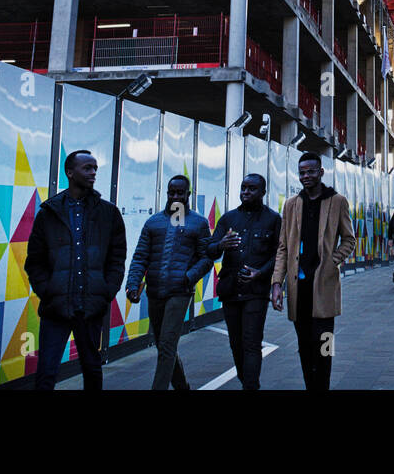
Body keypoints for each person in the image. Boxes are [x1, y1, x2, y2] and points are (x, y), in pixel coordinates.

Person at [25, 150, 126, 391]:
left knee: (92, 368)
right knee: (46, 372)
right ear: (70, 172)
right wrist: (47, 291)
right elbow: (35, 261)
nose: (93, 173)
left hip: (91, 306)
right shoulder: (49, 213)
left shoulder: (108, 213)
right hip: (55, 307)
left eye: (95, 168)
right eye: (87, 168)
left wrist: (105, 291)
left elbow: (117, 258)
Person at [271, 152, 356, 390]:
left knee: (325, 344)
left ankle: (323, 385)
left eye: (310, 171)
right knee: (305, 345)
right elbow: (283, 247)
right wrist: (277, 283)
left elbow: (349, 240)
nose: (305, 176)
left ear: (321, 172)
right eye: (302, 172)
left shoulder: (337, 201)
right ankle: (311, 386)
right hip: (299, 291)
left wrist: (332, 261)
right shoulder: (291, 205)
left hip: (325, 288)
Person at [125, 174, 212, 390]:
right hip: (154, 292)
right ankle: (183, 387)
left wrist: (188, 277)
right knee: (165, 346)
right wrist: (133, 284)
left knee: (166, 345)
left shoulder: (199, 223)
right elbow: (140, 256)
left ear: (188, 194)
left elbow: (206, 258)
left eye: (179, 193)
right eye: (171, 192)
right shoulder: (153, 222)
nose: (175, 196)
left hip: (179, 293)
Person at [206, 173, 281, 391]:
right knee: (236, 344)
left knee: (251, 342)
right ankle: (247, 381)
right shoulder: (228, 219)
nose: (245, 192)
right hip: (230, 289)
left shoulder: (273, 219)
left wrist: (261, 273)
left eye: (251, 189)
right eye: (243, 188)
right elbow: (209, 250)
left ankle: (251, 386)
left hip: (256, 291)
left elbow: (279, 253)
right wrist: (221, 244)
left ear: (263, 192)